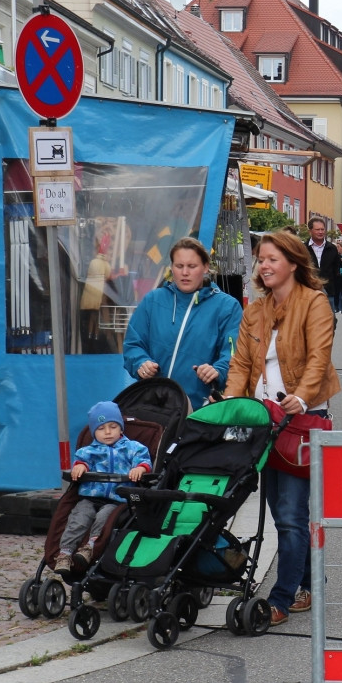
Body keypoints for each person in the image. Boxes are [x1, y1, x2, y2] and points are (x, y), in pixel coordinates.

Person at [223, 232, 340, 627]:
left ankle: (282, 598)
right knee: (282, 514)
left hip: (302, 420)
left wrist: (302, 397)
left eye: (272, 258)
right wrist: (230, 407)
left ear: (293, 261)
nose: (264, 266)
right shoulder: (255, 310)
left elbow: (318, 358)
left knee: (290, 515)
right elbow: (240, 365)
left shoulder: (315, 303)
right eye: (260, 260)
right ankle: (308, 583)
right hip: (262, 420)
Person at [123, 237, 243, 410]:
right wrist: (141, 363)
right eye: (179, 266)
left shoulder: (227, 306)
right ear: (172, 268)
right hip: (153, 405)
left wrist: (218, 369)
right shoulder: (153, 300)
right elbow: (133, 344)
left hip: (201, 409)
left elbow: (234, 353)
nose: (185, 272)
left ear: (206, 267)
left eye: (192, 266)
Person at [56, 401, 152, 573]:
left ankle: (90, 547)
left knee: (104, 518)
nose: (107, 432)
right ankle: (65, 553)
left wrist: (139, 468)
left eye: (113, 426)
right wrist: (80, 467)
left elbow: (144, 460)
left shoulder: (132, 448)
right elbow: (81, 461)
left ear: (121, 428)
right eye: (101, 429)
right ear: (94, 432)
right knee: (78, 519)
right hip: (90, 497)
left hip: (116, 500)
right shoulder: (89, 451)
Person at [305, 218, 342, 313]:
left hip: (328, 290)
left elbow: (336, 270)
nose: (320, 232)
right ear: (310, 231)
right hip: (308, 291)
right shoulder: (303, 249)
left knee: (329, 321)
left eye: (322, 229)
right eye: (317, 230)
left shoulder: (332, 248)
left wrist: (334, 288)